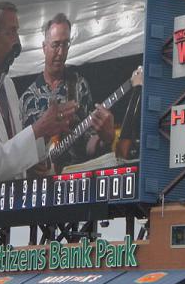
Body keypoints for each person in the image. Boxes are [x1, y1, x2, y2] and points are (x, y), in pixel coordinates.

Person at [0, 2, 76, 186]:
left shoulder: (8, 85)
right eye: (11, 32)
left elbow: (12, 149)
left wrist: (42, 141)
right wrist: (37, 129)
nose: (18, 41)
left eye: (17, 32)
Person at [20, 13, 115, 173]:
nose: (61, 52)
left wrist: (105, 138)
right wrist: (29, 163)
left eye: (65, 45)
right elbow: (19, 151)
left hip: (75, 178)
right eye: (55, 45)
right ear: (44, 47)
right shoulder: (28, 98)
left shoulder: (79, 86)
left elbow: (89, 145)